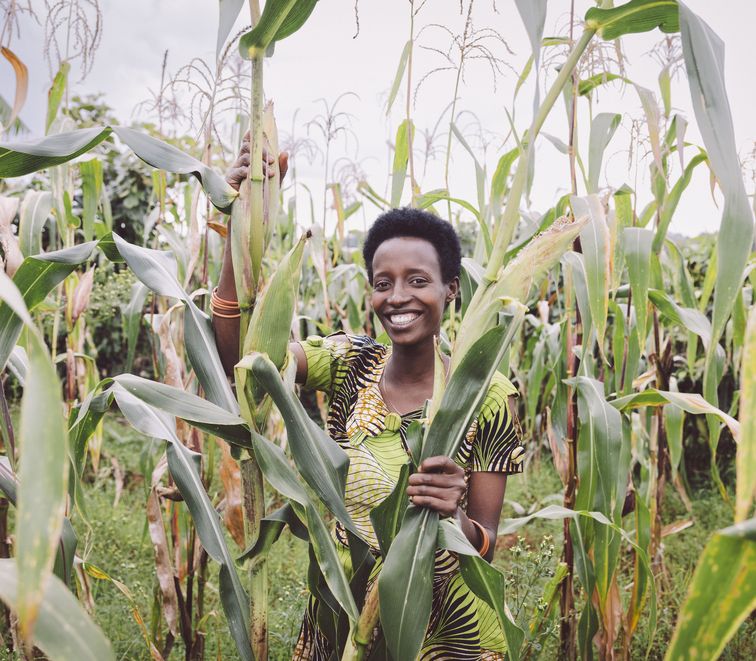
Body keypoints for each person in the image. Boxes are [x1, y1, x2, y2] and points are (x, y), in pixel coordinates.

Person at [214, 135, 525, 659]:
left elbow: (487, 546)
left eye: (418, 280)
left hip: (446, 635)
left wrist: (455, 516)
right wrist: (243, 218)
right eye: (383, 282)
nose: (398, 296)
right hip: (342, 616)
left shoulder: (483, 394)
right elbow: (243, 360)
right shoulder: (348, 364)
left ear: (451, 288)